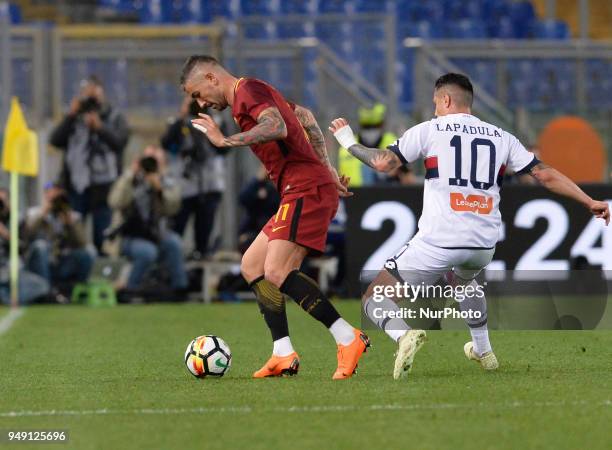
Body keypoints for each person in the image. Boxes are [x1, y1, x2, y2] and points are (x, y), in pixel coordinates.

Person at [330, 73, 610, 379]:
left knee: (375, 298)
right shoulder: (501, 136)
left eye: (436, 102)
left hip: (440, 240)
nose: (435, 108)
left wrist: (348, 143)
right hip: (483, 244)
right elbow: (544, 175)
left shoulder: (430, 130)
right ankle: (483, 350)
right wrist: (588, 201)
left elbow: (384, 163)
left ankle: (403, 335)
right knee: (464, 281)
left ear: (446, 100)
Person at [180, 55, 368, 380]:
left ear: (211, 78)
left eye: (198, 94)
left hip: (305, 187)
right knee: (252, 265)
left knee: (277, 271)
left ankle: (348, 337)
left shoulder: (248, 91)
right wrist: (327, 168)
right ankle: (282, 353)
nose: (201, 103)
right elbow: (305, 118)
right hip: (301, 185)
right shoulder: (254, 93)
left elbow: (277, 127)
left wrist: (225, 141)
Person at [49, 75, 130, 254]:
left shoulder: (114, 117)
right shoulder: (74, 119)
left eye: (95, 97)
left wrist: (100, 128)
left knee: (102, 236)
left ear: (103, 96)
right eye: (88, 97)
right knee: (74, 235)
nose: (92, 102)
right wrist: (71, 115)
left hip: (104, 187)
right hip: (76, 187)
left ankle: (100, 276)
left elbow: (120, 143)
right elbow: (55, 140)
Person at [107, 145, 188, 294]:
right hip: (129, 236)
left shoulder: (167, 182)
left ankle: (179, 289)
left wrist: (159, 189)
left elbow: (173, 208)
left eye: (155, 161)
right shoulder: (130, 180)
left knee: (174, 243)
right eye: (147, 160)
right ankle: (131, 289)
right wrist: (131, 175)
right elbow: (115, 202)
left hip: (156, 233)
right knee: (147, 252)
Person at [161, 96, 229, 259]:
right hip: (184, 187)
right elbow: (166, 144)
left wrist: (209, 127)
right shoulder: (179, 123)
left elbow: (225, 148)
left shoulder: (216, 121)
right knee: (176, 229)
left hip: (210, 185)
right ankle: (171, 264)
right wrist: (182, 116)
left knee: (204, 233)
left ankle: (201, 259)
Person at [24, 183, 94, 290]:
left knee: (89, 252)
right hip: (39, 261)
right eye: (52, 197)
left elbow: (82, 243)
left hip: (62, 261)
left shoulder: (73, 216)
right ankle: (46, 291)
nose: (56, 202)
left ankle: (78, 290)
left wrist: (70, 224)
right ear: (45, 196)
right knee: (41, 246)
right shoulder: (34, 213)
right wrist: (43, 213)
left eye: (58, 197)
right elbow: (26, 235)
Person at [0, 188, 49, 304]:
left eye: (2, 201)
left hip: (11, 270)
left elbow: (23, 248)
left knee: (42, 286)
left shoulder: (17, 220)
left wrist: (5, 234)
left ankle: (4, 296)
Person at [337, 103, 398, 186]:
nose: (371, 131)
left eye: (375, 126)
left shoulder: (393, 143)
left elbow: (407, 178)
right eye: (366, 127)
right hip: (354, 195)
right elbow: (340, 177)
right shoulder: (346, 146)